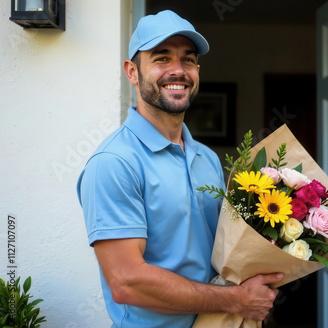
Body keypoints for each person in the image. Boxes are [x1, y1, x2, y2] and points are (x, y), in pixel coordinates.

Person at [77, 10, 282, 328]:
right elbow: (126, 281)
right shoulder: (115, 163)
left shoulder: (207, 158)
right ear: (132, 71)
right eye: (161, 58)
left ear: (198, 71)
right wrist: (238, 299)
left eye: (188, 60)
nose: (178, 71)